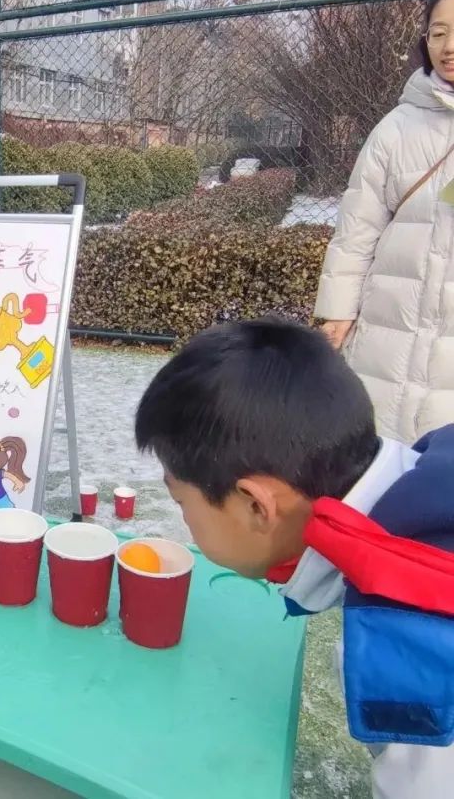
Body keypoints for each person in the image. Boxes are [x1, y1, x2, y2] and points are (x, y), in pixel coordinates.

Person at [135, 318, 454, 799]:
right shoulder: (437, 464)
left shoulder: (410, 639)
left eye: (180, 500)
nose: (182, 517)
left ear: (256, 505)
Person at [314, 0, 454, 444]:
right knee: (385, 454)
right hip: (391, 334)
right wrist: (338, 311)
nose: (449, 47)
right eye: (438, 33)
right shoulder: (395, 129)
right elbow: (357, 230)